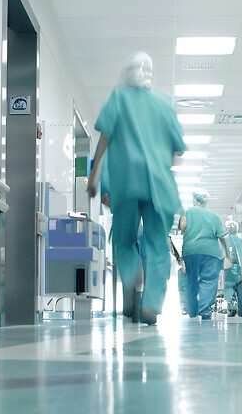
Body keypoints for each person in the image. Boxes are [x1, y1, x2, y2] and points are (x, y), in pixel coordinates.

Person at [88, 52, 186, 325]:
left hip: (126, 184)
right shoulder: (164, 103)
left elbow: (104, 142)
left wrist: (94, 179)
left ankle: (135, 278)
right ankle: (152, 303)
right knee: (157, 246)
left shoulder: (117, 99)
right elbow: (176, 149)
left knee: (124, 241)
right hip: (158, 185)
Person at [178, 189, 230, 320]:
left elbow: (183, 229)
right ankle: (205, 311)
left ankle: (193, 311)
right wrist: (227, 255)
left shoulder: (186, 213)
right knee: (209, 281)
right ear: (206, 201)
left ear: (194, 200)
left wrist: (180, 258)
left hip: (191, 251)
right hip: (211, 253)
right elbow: (223, 237)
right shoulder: (213, 216)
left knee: (191, 281)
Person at [222, 220, 242, 317]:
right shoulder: (241, 241)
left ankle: (231, 307)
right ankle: (241, 310)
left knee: (229, 289)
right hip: (239, 272)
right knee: (241, 292)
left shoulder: (223, 240)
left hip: (227, 272)